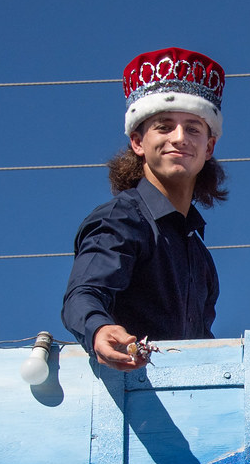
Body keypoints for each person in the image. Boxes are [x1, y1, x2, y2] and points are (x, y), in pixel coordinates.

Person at [62, 48, 228, 371]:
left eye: (193, 128)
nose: (180, 138)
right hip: (125, 408)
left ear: (209, 146)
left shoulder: (201, 259)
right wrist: (99, 329)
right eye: (164, 126)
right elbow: (83, 294)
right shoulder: (122, 219)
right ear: (137, 141)